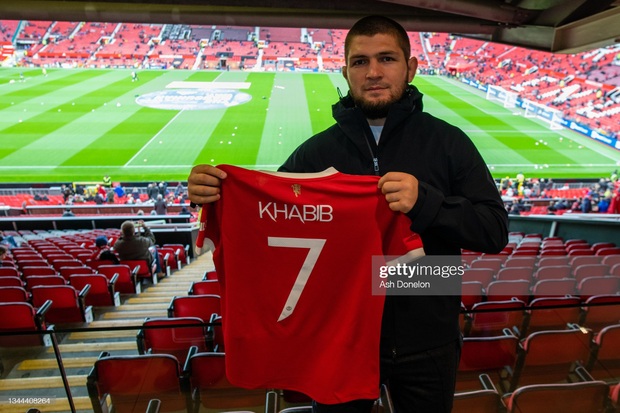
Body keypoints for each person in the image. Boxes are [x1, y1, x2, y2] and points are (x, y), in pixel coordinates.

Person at [187, 15, 507, 413]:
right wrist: (214, 195)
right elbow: (266, 220)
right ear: (345, 71)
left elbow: (494, 231)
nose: (373, 72)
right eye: (360, 62)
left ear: (410, 68)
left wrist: (427, 203)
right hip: (336, 342)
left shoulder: (448, 143)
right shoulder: (316, 152)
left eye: (387, 59)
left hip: (426, 338)